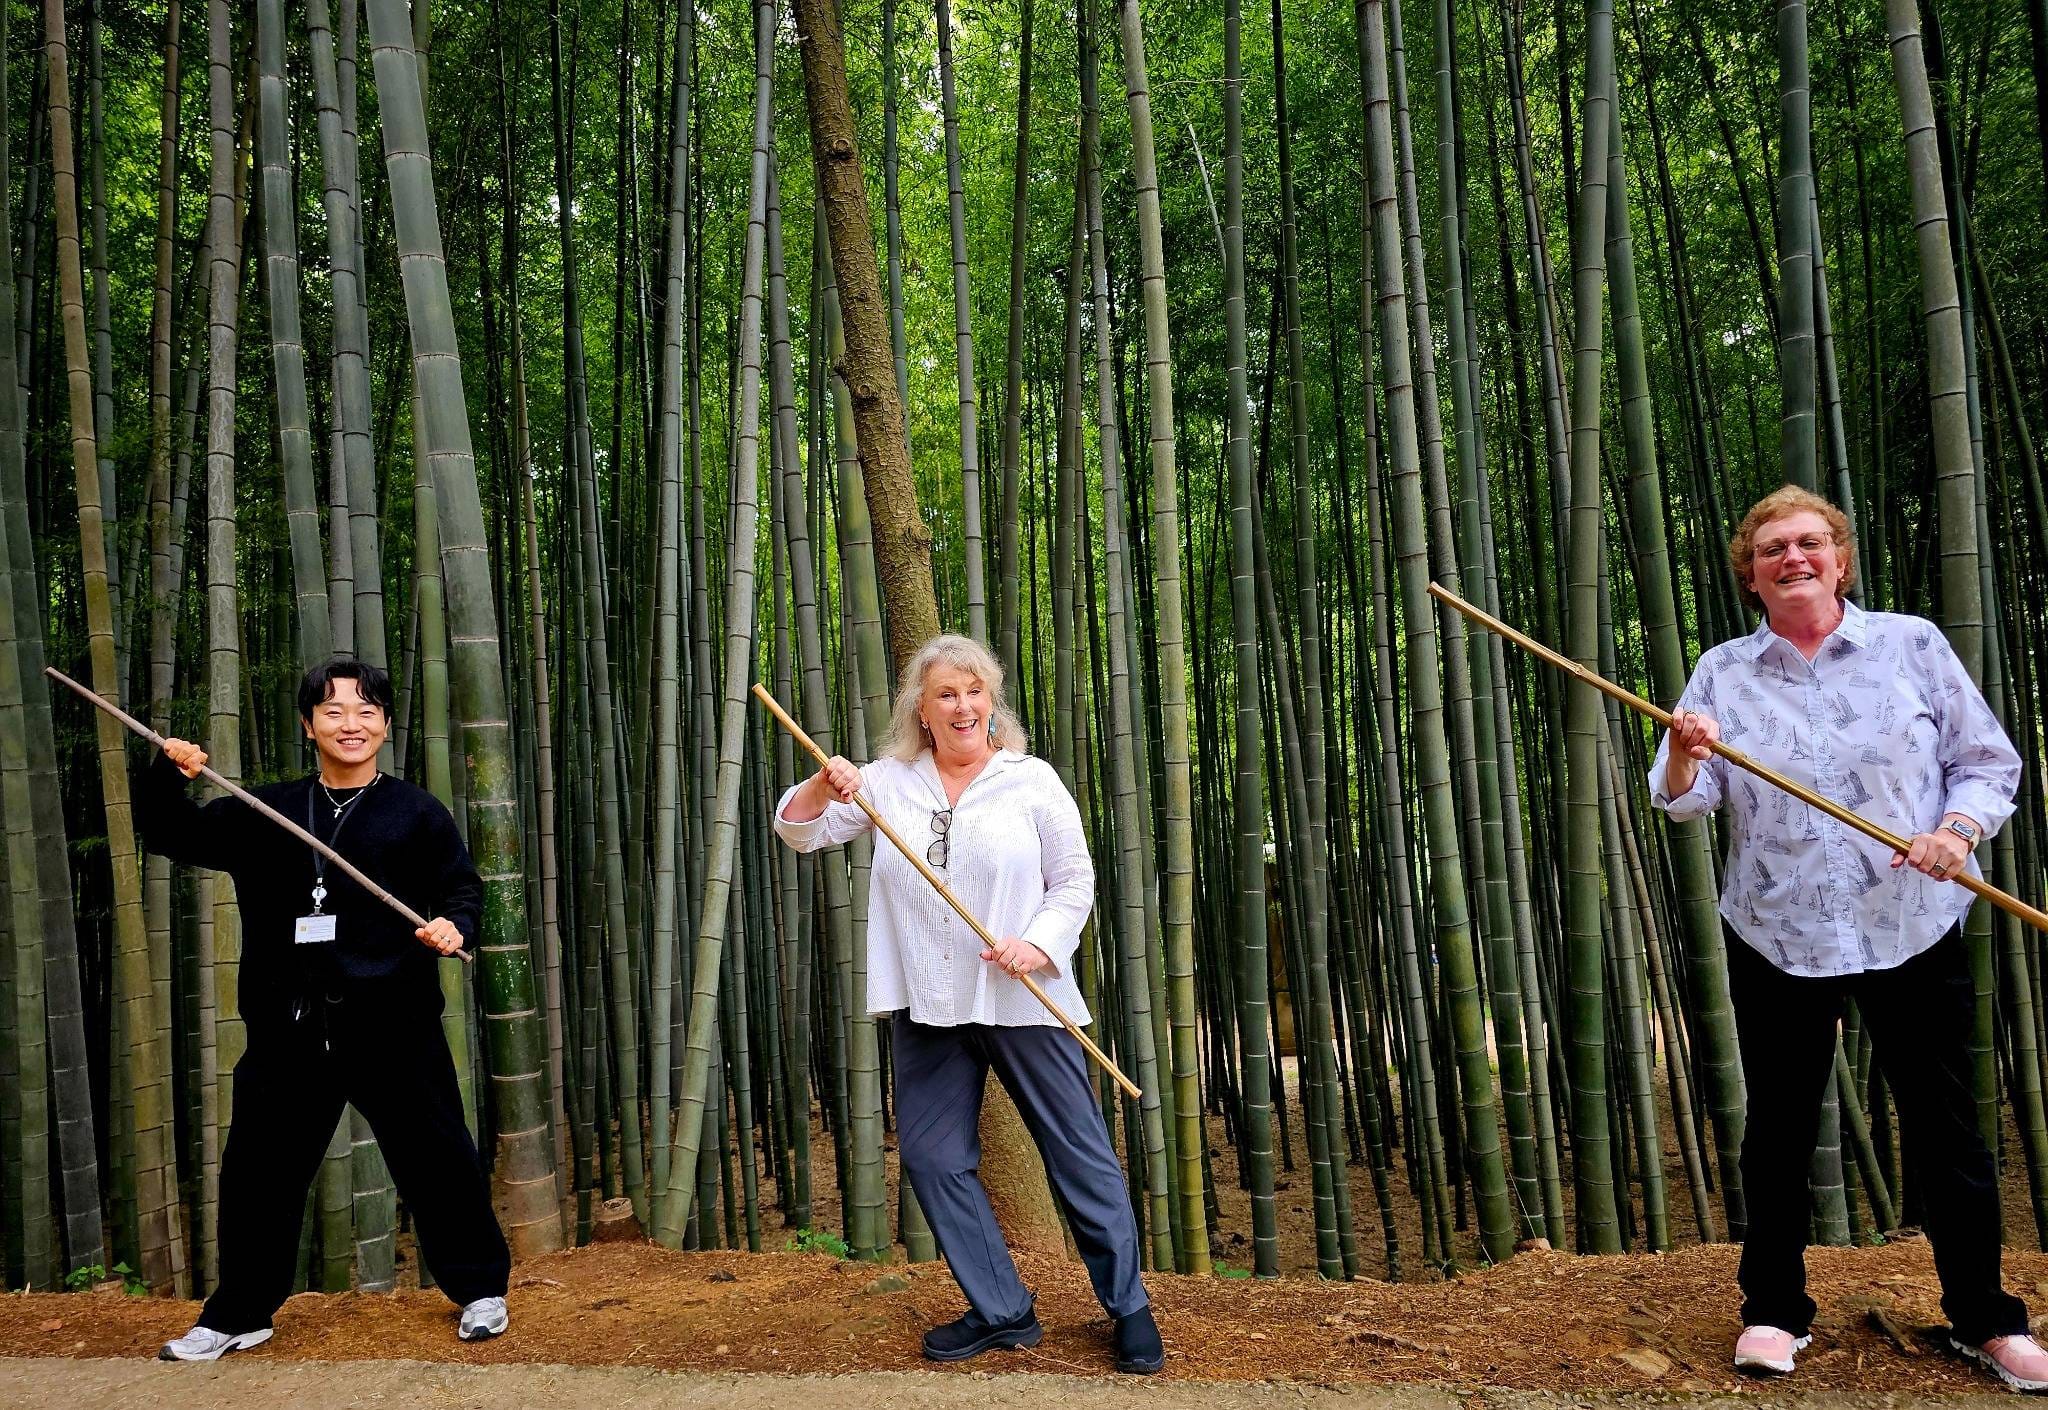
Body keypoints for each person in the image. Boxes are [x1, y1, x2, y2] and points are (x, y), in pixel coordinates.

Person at [1649, 486, 2043, 1391]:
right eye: (1773, 549)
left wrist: (1955, 832)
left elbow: (1986, 762)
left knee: (1948, 1128)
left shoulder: (1909, 644)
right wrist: (1684, 748)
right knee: (1778, 1133)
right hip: (1777, 929)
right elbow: (1681, 801)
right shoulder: (1722, 671)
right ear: (1750, 575)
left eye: (1810, 544)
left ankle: (1985, 1319)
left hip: (1907, 921)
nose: (1794, 559)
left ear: (1840, 559)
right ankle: (1775, 1314)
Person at [773, 634, 1163, 1375]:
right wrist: (826, 785)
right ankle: (1003, 1310)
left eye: (974, 691)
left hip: (1022, 995)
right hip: (928, 1001)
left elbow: (1074, 880)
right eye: (946, 693)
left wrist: (1038, 944)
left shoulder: (1030, 780)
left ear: (992, 702)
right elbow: (800, 832)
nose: (962, 706)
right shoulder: (887, 782)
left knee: (1078, 1155)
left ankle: (1129, 1307)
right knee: (931, 1156)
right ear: (920, 709)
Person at [137, 658, 511, 1361]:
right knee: (257, 1172)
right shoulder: (266, 811)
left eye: (367, 710)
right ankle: (240, 1312)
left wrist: (454, 927)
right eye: (334, 711)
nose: (352, 723)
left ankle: (480, 1288)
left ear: (387, 725)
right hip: (290, 1027)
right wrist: (170, 773)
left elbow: (461, 889)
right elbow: (171, 835)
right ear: (308, 724)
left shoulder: (417, 812)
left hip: (394, 1023)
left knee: (439, 1160)